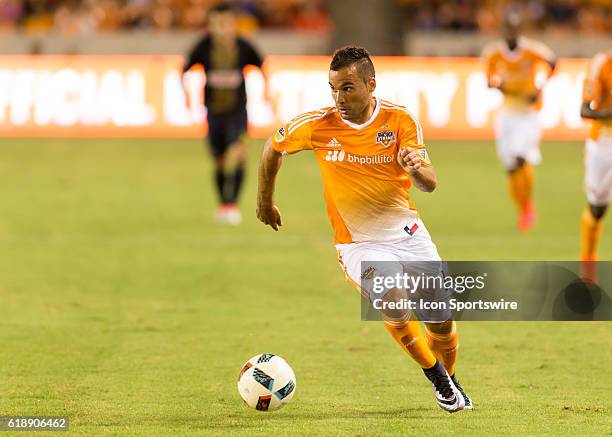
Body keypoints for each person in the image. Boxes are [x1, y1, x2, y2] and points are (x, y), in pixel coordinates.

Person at [256, 46, 472, 413]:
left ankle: (449, 379)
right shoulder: (318, 125)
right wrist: (264, 201)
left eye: (348, 88)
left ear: (371, 85)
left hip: (408, 234)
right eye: (333, 88)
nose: (339, 98)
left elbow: (430, 183)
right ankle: (438, 380)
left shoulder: (400, 120)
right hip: (358, 244)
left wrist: (415, 169)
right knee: (395, 303)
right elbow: (272, 148)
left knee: (440, 322)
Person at [183, 2, 267, 225]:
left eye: (226, 23)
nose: (222, 28)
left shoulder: (243, 46)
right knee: (219, 160)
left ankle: (232, 204)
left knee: (240, 154)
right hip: (214, 112)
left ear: (232, 24)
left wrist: (267, 94)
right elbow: (184, 70)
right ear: (210, 25)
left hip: (237, 112)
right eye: (217, 24)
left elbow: (262, 66)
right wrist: (187, 98)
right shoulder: (202, 47)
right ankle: (223, 203)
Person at [482, 14, 556, 232]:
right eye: (508, 28)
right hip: (507, 114)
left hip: (528, 113)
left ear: (519, 29)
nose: (511, 33)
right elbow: (489, 80)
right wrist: (500, 85)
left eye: (515, 28)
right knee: (511, 167)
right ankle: (524, 207)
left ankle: (528, 207)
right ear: (503, 30)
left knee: (521, 158)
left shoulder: (532, 49)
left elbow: (552, 62)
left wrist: (540, 87)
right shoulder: (493, 53)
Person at [579, 49, 612, 282]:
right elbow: (585, 110)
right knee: (597, 208)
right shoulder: (602, 64)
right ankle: (588, 265)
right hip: (604, 141)